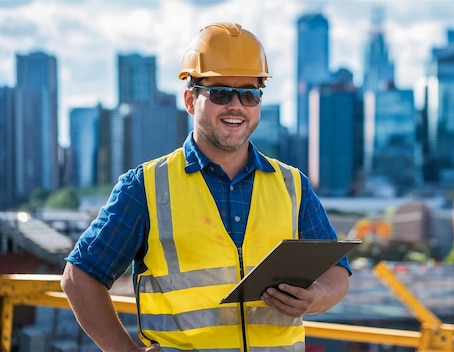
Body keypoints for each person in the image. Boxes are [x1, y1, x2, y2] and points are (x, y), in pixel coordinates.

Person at [61, 22, 352, 352]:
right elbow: (80, 277)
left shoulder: (292, 185)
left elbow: (336, 274)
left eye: (249, 94)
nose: (236, 106)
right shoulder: (146, 187)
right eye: (220, 93)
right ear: (189, 100)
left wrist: (315, 297)